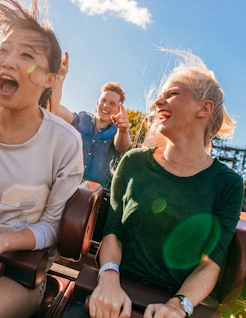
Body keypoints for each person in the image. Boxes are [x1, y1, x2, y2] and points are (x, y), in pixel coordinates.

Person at [73, 49, 244, 318]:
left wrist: (178, 305)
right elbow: (113, 231)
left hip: (170, 307)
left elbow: (210, 263)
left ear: (204, 108)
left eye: (172, 94)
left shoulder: (228, 184)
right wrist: (108, 279)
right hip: (111, 293)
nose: (157, 103)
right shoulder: (133, 162)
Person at [0, 0, 83, 318]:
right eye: (4, 50)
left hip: (17, 273)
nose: (8, 61)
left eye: (26, 55)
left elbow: (52, 227)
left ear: (50, 78)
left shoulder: (65, 142)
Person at [52, 55, 131, 189]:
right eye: (104, 101)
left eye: (112, 103)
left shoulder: (117, 132)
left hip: (96, 196)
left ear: (118, 109)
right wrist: (60, 77)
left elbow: (122, 147)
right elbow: (54, 108)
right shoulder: (81, 119)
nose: (106, 106)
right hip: (65, 186)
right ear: (97, 103)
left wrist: (123, 130)